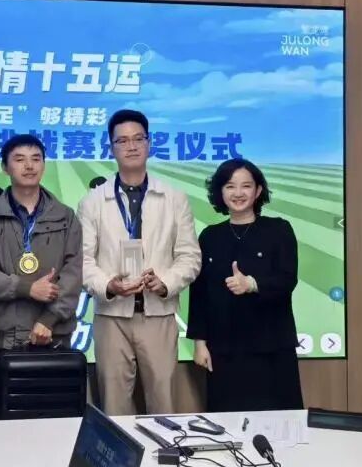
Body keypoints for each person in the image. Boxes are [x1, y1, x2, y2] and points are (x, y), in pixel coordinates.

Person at [79, 110, 201, 416]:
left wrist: (165, 283)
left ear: (149, 143)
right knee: (114, 405)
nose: (131, 146)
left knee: (164, 402)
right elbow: (82, 260)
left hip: (158, 314)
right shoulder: (93, 201)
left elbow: (190, 256)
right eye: (122, 140)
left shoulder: (174, 198)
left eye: (138, 139)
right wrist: (108, 285)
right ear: (111, 147)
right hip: (111, 317)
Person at [0, 133, 83, 419]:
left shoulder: (66, 216)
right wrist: (26, 288)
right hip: (1, 337)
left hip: (53, 336)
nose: (29, 166)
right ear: (5, 167)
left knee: (53, 421)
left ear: (44, 165)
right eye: (19, 159)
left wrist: (49, 319)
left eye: (36, 159)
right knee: (1, 421)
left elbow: (73, 272)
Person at [187, 158, 304, 412]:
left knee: (280, 422)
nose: (238, 193)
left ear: (258, 191)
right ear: (220, 192)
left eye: (246, 186)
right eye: (230, 186)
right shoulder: (210, 236)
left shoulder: (279, 230)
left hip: (272, 347)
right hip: (223, 350)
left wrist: (252, 284)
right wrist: (199, 343)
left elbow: (287, 279)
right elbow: (199, 293)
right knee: (226, 422)